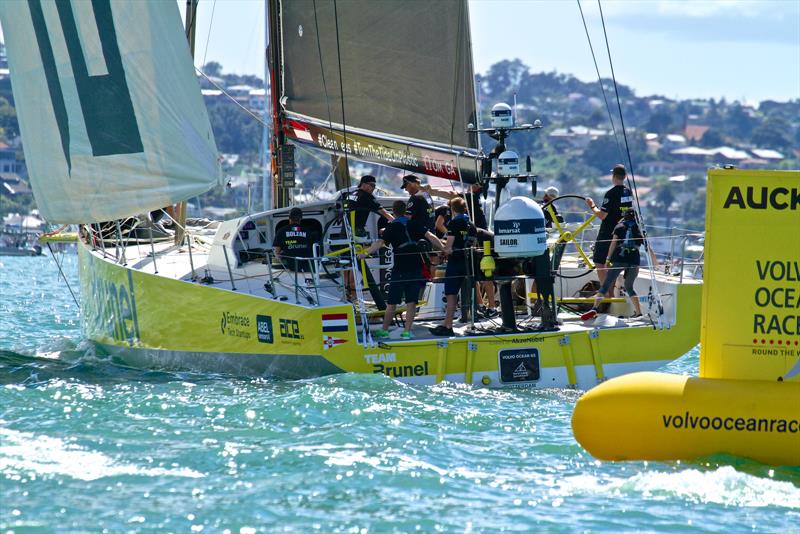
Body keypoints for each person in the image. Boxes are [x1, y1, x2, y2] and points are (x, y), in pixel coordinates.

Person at [358, 200, 443, 339]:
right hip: (416, 268)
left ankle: (384, 330)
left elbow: (380, 243)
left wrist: (364, 254)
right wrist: (443, 248)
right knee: (411, 303)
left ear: (393, 211)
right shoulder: (414, 223)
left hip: (400, 269)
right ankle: (407, 332)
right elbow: (430, 236)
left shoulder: (392, 227)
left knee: (392, 303)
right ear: (405, 211)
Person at [425, 182, 497, 318]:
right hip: (476, 240)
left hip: (483, 240)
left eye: (472, 184)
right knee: (472, 275)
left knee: (485, 275)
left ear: (477, 187)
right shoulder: (470, 204)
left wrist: (429, 190)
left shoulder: (470, 196)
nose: (468, 186)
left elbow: (450, 195)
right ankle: (480, 306)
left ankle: (492, 307)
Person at [581, 209, 644, 320]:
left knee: (605, 285)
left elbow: (613, 243)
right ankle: (639, 313)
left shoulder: (619, 227)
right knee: (630, 287)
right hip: (634, 261)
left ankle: (594, 308)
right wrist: (655, 263)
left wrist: (608, 259)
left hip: (619, 258)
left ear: (624, 216)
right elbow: (648, 248)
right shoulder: (640, 229)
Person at [429, 197, 477, 336]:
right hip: (468, 263)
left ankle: (448, 326)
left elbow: (448, 247)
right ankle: (448, 323)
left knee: (451, 294)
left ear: (452, 210)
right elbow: (473, 244)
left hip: (455, 262)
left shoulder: (454, 223)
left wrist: (438, 245)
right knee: (467, 294)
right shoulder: (471, 224)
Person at [585, 164, 633, 287]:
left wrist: (592, 205)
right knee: (611, 262)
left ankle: (605, 292)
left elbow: (602, 215)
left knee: (599, 262)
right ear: (624, 176)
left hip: (608, 232)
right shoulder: (628, 192)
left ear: (614, 176)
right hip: (622, 231)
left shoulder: (610, 193)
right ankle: (609, 293)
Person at [272, 207, 313, 272]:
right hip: (307, 267)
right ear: (301, 218)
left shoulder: (281, 231)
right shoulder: (308, 231)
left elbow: (276, 253)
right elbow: (313, 248)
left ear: (289, 218)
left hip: (289, 268)